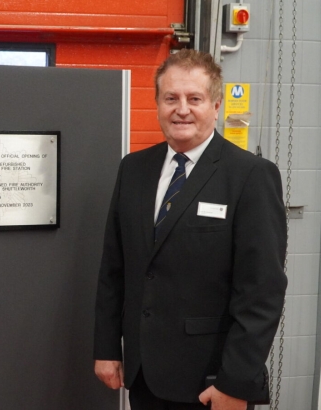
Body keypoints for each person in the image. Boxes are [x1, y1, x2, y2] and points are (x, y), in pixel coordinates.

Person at [93, 49, 287, 410]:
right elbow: (113, 269)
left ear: (215, 106)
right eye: (171, 98)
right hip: (143, 376)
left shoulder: (250, 176)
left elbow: (262, 292)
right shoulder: (133, 169)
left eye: (194, 98)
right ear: (157, 104)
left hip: (210, 383)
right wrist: (107, 348)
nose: (181, 109)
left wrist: (235, 382)